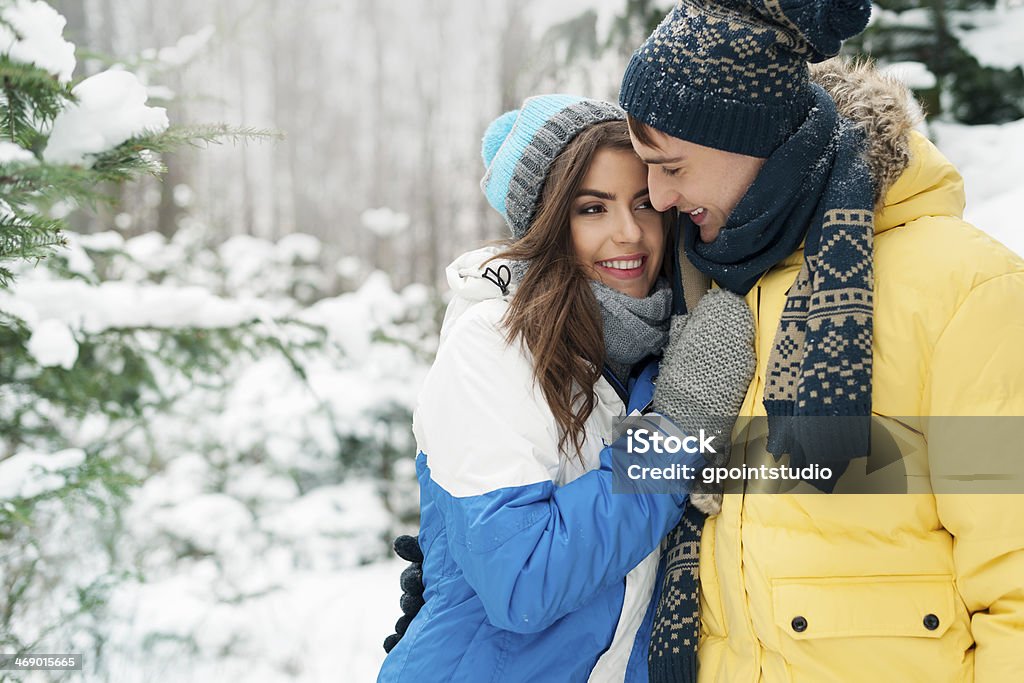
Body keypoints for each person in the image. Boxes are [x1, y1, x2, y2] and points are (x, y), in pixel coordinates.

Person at [616, 1, 1024, 681]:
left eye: (673, 167)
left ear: (751, 138)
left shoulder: (966, 289)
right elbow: (644, 496)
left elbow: (1016, 573)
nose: (656, 196)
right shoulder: (714, 290)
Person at [377, 95, 755, 682]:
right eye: (592, 209)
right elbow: (525, 579)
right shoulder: (496, 343)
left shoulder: (654, 350)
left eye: (642, 204)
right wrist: (675, 433)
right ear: (548, 225)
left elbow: (832, 465)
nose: (629, 233)